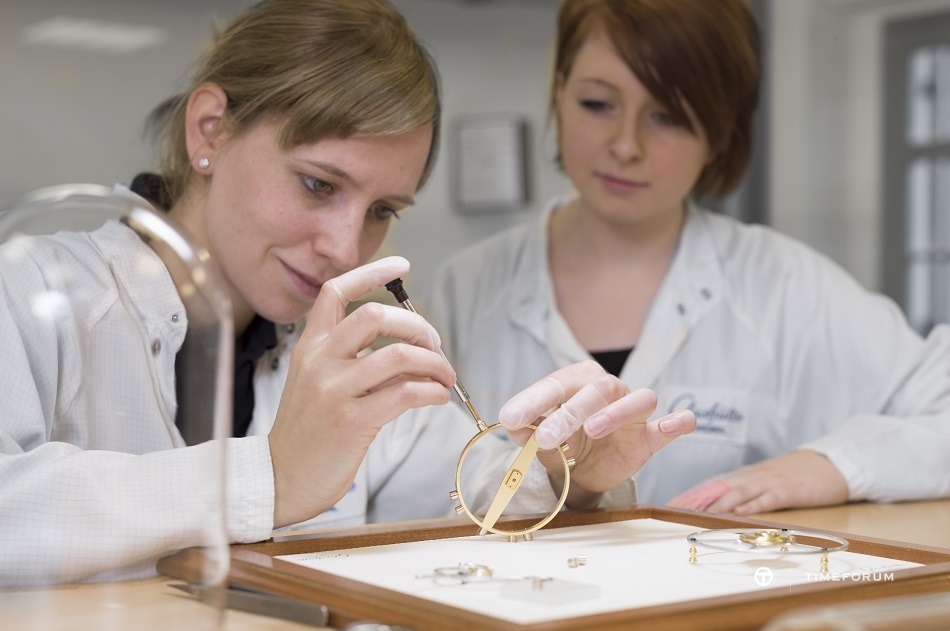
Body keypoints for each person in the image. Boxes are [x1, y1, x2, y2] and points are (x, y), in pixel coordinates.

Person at [0, 0, 697, 587]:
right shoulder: (28, 288)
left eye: (381, 209)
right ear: (209, 129)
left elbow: (478, 499)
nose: (344, 246)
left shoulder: (355, 354)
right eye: (318, 185)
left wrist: (564, 476)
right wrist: (270, 475)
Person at [425, 0, 950, 517]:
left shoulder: (786, 285)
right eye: (597, 105)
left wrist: (829, 465)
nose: (626, 145)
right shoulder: (465, 289)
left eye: (667, 116)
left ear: (720, 133)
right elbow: (421, 488)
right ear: (559, 93)